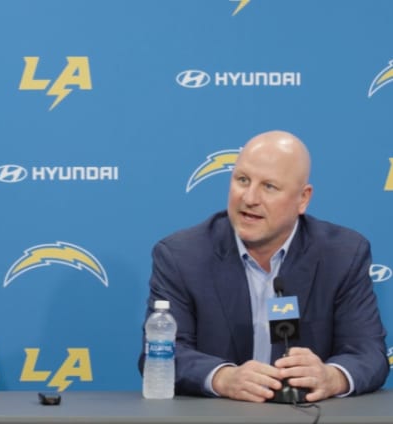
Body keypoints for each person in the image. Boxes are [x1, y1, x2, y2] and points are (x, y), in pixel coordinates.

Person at [139, 130, 389, 403]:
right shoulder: (182, 256)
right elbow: (162, 352)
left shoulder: (342, 254)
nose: (249, 198)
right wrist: (223, 378)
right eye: (242, 180)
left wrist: (332, 377)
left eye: (269, 187)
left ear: (303, 199)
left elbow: (368, 353)